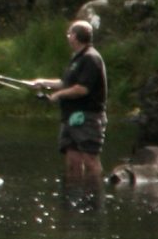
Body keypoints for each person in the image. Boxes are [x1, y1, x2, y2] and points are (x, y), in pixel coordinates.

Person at [32, 19, 107, 186]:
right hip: (70, 118)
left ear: (75, 36)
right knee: (72, 159)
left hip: (88, 118)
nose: (67, 37)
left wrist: (57, 96)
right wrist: (44, 82)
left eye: (69, 34)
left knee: (90, 159)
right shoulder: (77, 58)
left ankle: (94, 195)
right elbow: (67, 83)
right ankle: (73, 194)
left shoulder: (90, 58)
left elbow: (82, 89)